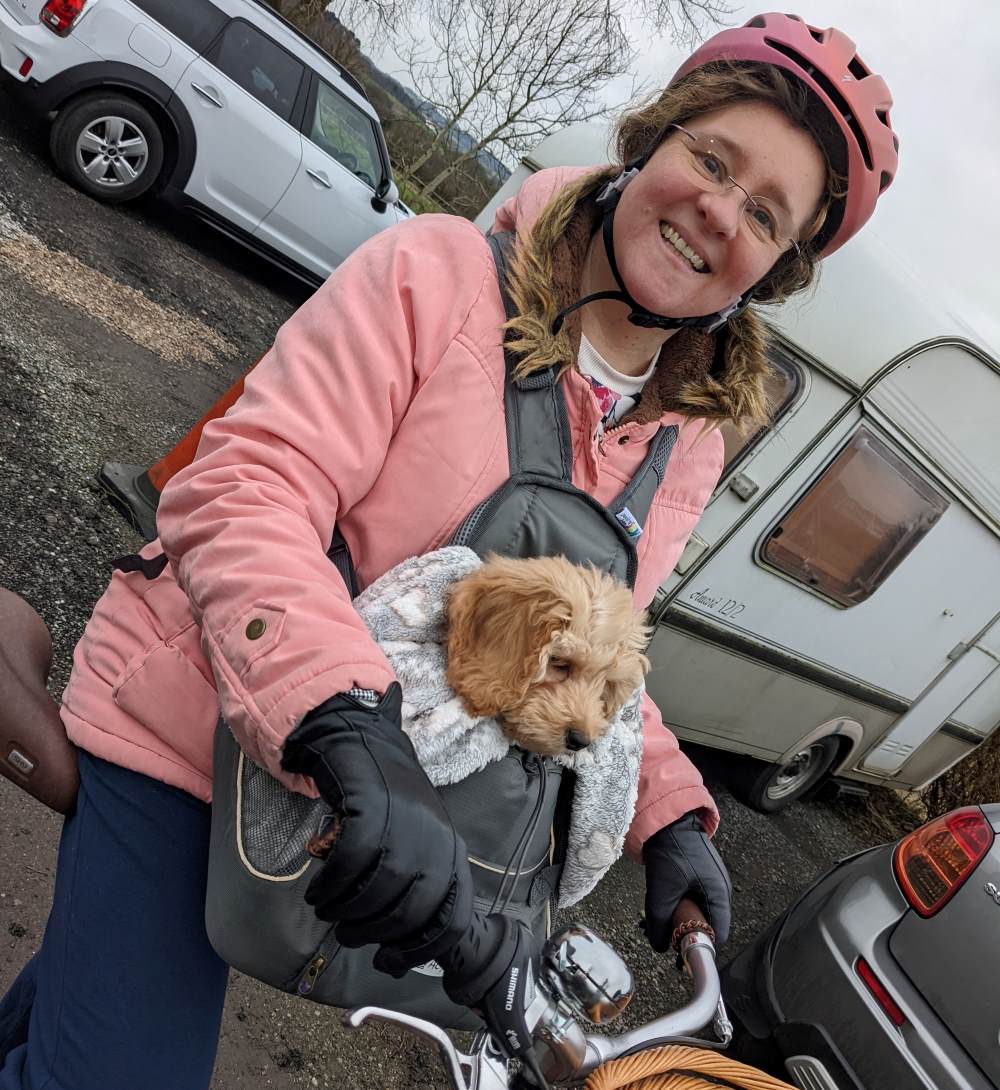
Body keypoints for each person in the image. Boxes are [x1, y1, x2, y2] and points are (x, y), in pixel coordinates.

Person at [0, 13, 897, 1089]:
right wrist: (346, 721)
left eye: (764, 213)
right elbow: (245, 487)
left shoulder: (687, 442)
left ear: (773, 269)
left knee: (73, 1022)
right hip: (193, 728)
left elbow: (598, 644)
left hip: (363, 808)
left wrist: (671, 814)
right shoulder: (438, 272)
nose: (718, 211)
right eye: (711, 159)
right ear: (646, 145)